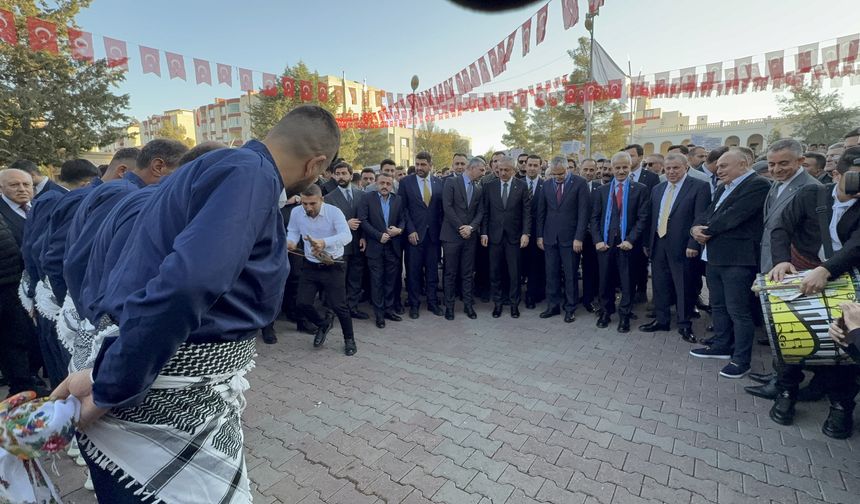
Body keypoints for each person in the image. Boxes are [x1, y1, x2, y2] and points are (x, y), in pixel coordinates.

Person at [50, 105, 339, 503]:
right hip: (158, 398)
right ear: (316, 163)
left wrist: (105, 362)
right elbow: (187, 285)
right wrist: (110, 382)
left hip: (142, 371)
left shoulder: (206, 171)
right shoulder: (250, 174)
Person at [765, 147, 860, 438]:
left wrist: (828, 269)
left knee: (844, 344)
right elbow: (780, 228)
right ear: (836, 174)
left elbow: (858, 244)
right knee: (788, 333)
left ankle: (841, 407)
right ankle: (786, 392)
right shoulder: (811, 195)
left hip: (847, 280)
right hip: (801, 272)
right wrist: (781, 260)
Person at [690, 148, 770, 378]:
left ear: (743, 164)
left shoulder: (758, 185)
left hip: (738, 260)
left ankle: (741, 359)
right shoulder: (723, 187)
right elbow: (707, 212)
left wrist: (705, 230)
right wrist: (695, 228)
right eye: (719, 165)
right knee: (719, 306)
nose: (718, 169)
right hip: (715, 256)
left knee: (739, 311)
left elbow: (733, 216)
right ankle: (722, 346)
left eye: (724, 165)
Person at [639, 154, 711, 343]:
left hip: (684, 246)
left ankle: (684, 324)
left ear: (686, 167)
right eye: (668, 168)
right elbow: (652, 217)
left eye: (676, 168)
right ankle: (661, 320)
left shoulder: (699, 187)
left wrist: (694, 244)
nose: (671, 172)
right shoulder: (658, 188)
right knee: (660, 285)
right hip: (659, 244)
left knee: (684, 287)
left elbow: (701, 217)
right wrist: (648, 243)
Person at [289, 183, 356, 355]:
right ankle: (323, 324)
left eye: (312, 204)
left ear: (322, 200)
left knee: (339, 306)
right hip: (310, 266)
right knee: (302, 303)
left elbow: (346, 236)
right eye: (304, 203)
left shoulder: (334, 212)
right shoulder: (296, 212)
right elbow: (293, 232)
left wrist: (324, 242)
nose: (308, 208)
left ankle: (349, 340)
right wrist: (290, 242)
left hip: (332, 265)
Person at [590, 152, 650, 332]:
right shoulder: (601, 190)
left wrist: (631, 240)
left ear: (630, 167)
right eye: (617, 167)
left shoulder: (640, 189)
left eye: (625, 167)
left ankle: (624, 315)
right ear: (612, 168)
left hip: (628, 245)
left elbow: (642, 218)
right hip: (605, 245)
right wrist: (598, 240)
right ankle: (606, 312)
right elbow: (594, 218)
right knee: (605, 280)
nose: (621, 170)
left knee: (627, 282)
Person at [0, 168, 43, 396]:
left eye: (26, 185)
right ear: (2, 188)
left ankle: (25, 380)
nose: (22, 189)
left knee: (21, 337)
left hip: (34, 286)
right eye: (14, 185)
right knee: (14, 338)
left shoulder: (38, 208)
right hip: (10, 285)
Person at [537, 156, 590, 322]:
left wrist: (579, 237)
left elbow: (583, 213)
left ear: (568, 169)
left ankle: (570, 308)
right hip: (550, 237)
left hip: (571, 239)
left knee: (570, 275)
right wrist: (539, 235)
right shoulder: (545, 185)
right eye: (554, 174)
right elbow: (541, 212)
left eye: (561, 173)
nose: (558, 177)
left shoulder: (580, 183)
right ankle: (553, 306)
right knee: (550, 273)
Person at [759, 139, 820, 274]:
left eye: (783, 163)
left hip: (793, 267)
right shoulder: (778, 183)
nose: (776, 169)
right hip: (771, 262)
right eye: (771, 164)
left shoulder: (811, 188)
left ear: (800, 161)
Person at [481, 156, 530, 318]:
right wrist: (484, 232)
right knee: (495, 272)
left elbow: (526, 213)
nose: (502, 173)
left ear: (513, 170)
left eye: (506, 170)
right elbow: (485, 212)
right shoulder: (489, 186)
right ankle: (498, 303)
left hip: (514, 238)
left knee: (514, 273)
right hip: (494, 237)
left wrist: (525, 233)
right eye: (500, 170)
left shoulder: (522, 186)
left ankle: (514, 304)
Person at [400, 151, 444, 319]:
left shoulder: (439, 183)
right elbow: (403, 209)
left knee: (432, 271)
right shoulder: (405, 183)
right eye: (417, 164)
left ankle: (432, 302)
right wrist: (410, 230)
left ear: (430, 166)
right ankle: (414, 304)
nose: (419, 167)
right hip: (414, 236)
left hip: (433, 236)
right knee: (413, 272)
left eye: (423, 164)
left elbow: (441, 210)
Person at [360, 172, 406, 328]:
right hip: (375, 247)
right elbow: (363, 221)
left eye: (388, 183)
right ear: (376, 184)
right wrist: (378, 235)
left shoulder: (398, 200)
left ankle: (389, 309)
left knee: (390, 281)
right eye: (382, 183)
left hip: (393, 247)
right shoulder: (367, 198)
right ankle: (379, 314)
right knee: (377, 281)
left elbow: (403, 218)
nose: (385, 186)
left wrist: (399, 230)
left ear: (392, 185)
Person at [441, 157, 485, 320]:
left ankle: (468, 305)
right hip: (451, 236)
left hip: (469, 237)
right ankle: (450, 307)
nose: (483, 172)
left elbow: (480, 212)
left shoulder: (478, 188)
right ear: (472, 168)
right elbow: (447, 207)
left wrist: (471, 228)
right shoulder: (451, 183)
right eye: (481, 169)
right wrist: (461, 227)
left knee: (467, 273)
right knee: (450, 273)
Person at [324, 161, 368, 321]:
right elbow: (326, 223)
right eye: (338, 174)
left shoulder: (362, 194)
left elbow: (366, 219)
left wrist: (363, 236)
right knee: (338, 280)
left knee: (355, 278)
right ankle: (335, 311)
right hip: (340, 246)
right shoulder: (328, 198)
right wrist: (345, 224)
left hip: (358, 243)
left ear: (351, 174)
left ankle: (353, 307)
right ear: (334, 176)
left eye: (344, 173)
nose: (341, 177)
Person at [623, 144, 659, 304]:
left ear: (640, 157)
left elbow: (653, 205)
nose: (629, 159)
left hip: (642, 228)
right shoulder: (620, 174)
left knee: (641, 261)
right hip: (623, 228)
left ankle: (642, 290)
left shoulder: (650, 177)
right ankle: (627, 292)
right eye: (626, 155)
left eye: (632, 155)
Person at [522, 155, 545, 309]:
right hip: (519, 232)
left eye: (535, 165)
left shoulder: (546, 185)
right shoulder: (517, 183)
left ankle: (532, 295)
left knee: (535, 265)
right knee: (517, 265)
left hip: (538, 233)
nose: (531, 168)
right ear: (525, 166)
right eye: (529, 165)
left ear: (540, 167)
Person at [579, 159, 601, 312]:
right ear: (580, 169)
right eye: (585, 169)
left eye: (591, 170)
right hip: (574, 235)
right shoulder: (572, 185)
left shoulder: (601, 188)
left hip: (592, 235)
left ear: (596, 171)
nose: (588, 173)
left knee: (590, 268)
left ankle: (588, 299)